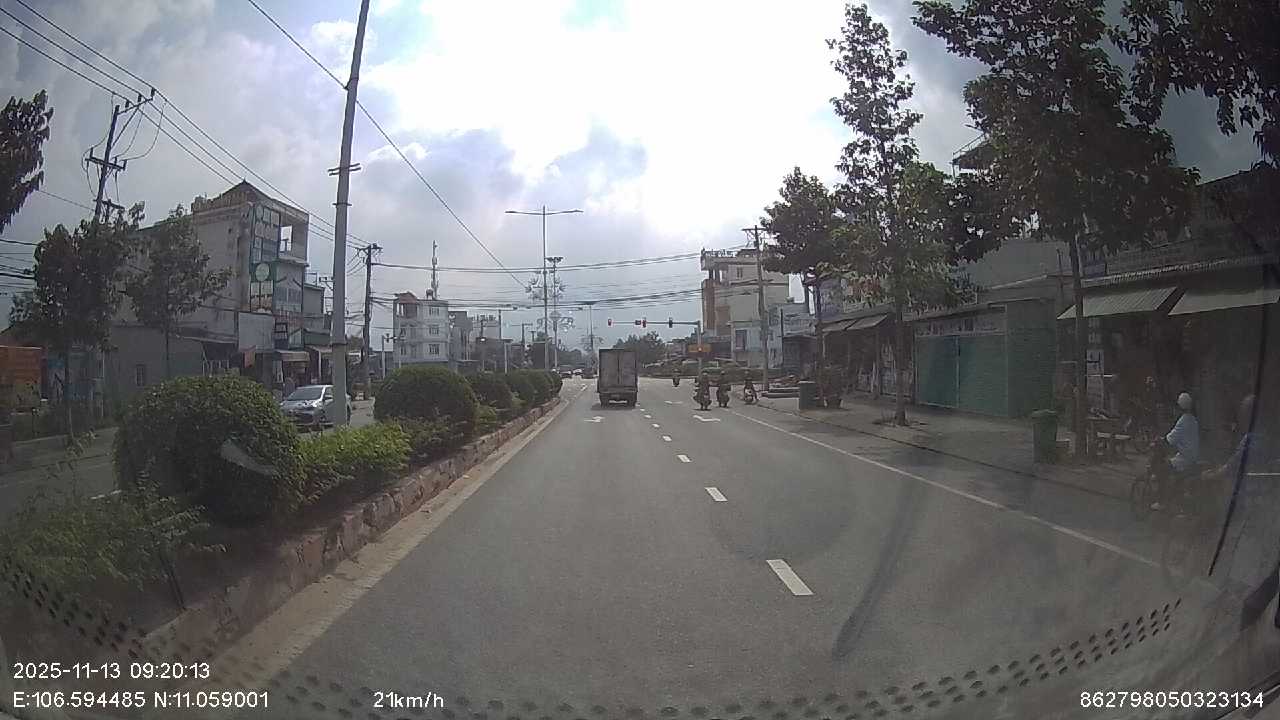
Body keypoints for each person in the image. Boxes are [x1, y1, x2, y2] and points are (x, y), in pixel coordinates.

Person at [1150, 392, 1199, 510]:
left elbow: (1170, 439)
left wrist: (1158, 441)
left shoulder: (1183, 421)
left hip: (1185, 458)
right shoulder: (1192, 419)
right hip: (1191, 456)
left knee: (1162, 470)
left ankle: (1162, 502)